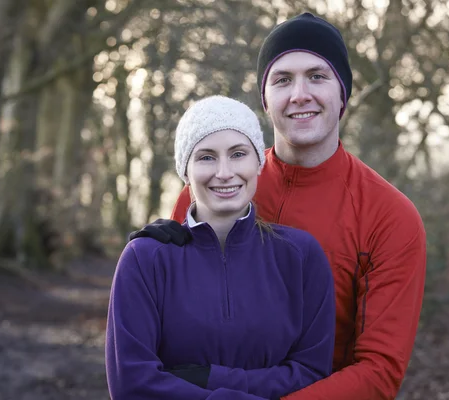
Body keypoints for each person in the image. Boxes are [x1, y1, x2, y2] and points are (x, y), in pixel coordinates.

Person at [130, 13, 427, 400]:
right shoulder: (208, 190)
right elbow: (170, 338)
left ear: (343, 94)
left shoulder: (390, 217)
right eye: (282, 79)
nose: (299, 94)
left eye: (317, 76)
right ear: (264, 99)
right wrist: (152, 259)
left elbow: (379, 373)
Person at [106, 95, 336, 400]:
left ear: (258, 163)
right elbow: (131, 384)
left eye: (238, 153)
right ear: (185, 171)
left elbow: (311, 374)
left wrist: (208, 379)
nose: (224, 172)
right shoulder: (145, 259)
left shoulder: (301, 255)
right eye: (206, 157)